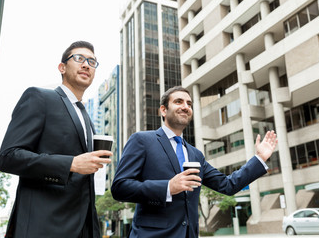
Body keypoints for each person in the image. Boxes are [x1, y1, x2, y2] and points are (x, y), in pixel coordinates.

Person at [111, 86, 278, 238]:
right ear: (163, 110)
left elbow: (228, 185)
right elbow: (120, 187)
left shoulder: (196, 154)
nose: (185, 106)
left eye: (189, 104)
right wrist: (168, 187)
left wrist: (259, 159)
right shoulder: (142, 140)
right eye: (178, 102)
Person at [0, 41, 112, 238]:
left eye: (92, 62)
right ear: (62, 67)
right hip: (44, 226)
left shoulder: (87, 118)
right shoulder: (39, 97)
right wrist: (71, 164)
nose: (86, 64)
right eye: (79, 58)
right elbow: (8, 157)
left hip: (84, 227)